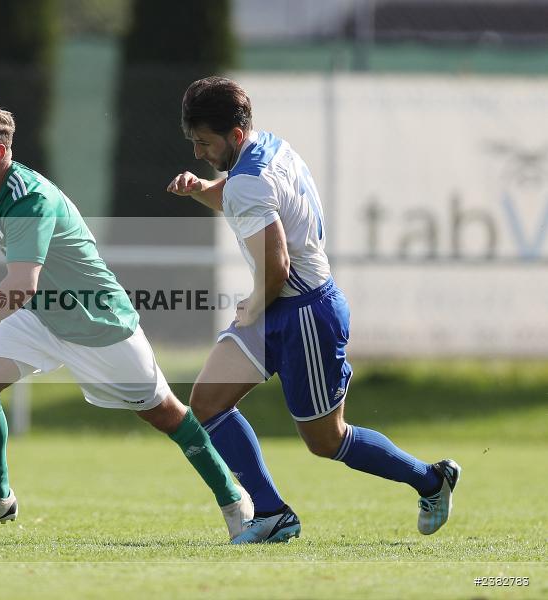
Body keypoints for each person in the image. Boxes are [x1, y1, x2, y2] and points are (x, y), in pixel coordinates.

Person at [0, 100, 253, 541]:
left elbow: (20, 285)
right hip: (43, 319)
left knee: (166, 415)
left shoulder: (32, 200)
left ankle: (233, 498)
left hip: (98, 324)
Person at [167, 77, 460, 544]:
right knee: (207, 402)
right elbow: (249, 197)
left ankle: (431, 479)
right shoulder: (272, 148)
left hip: (304, 311)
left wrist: (251, 307)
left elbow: (278, 266)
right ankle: (272, 513)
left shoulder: (246, 181)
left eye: (204, 143)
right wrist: (203, 187)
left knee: (327, 441)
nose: (199, 151)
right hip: (281, 306)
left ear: (235, 136)